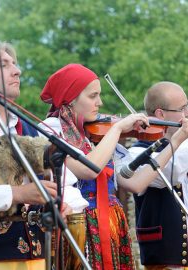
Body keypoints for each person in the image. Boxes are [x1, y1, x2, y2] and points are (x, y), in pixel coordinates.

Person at [40, 64, 188, 270]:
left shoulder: (98, 136)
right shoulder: (52, 129)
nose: (100, 102)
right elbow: (88, 168)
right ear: (71, 98)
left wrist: (178, 139)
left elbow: (136, 183)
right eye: (93, 96)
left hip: (109, 225)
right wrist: (118, 128)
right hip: (77, 225)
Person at [0, 41, 73, 270]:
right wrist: (20, 193)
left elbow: (51, 181)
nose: (17, 71)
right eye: (3, 65)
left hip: (37, 256)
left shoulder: (27, 128)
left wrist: (56, 203)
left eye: (14, 64)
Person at [121, 81, 188, 269]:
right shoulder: (136, 153)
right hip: (163, 256)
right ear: (160, 114)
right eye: (182, 108)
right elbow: (171, 172)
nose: (187, 113)